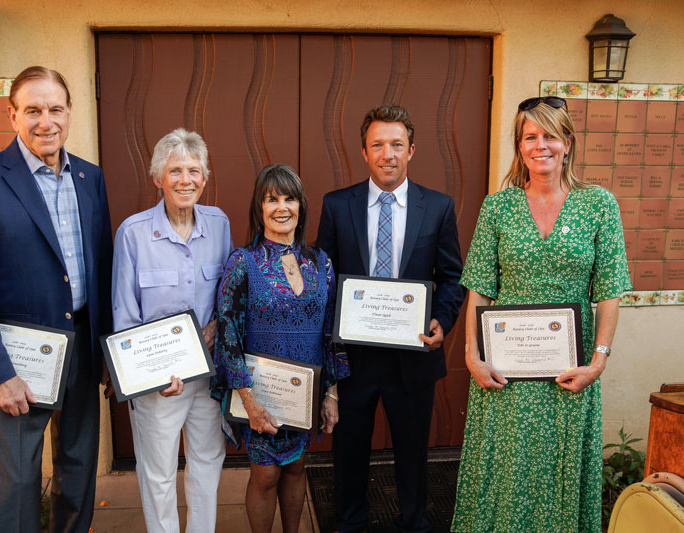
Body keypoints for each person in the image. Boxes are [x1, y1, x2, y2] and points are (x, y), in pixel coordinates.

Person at [450, 96, 632, 532]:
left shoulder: (598, 205)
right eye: (530, 137)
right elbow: (478, 290)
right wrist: (472, 356)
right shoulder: (498, 206)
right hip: (506, 368)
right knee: (507, 469)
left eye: (550, 135)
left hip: (571, 368)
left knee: (559, 466)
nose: (540, 145)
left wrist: (599, 362)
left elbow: (609, 292)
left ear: (567, 143)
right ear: (519, 146)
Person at [0, 66, 113, 532]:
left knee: (78, 469)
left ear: (69, 113)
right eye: (34, 110)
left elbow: (100, 267)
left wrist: (105, 350)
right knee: (19, 481)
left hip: (81, 345)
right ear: (13, 115)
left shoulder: (90, 177)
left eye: (56, 109)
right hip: (18, 360)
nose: (46, 121)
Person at [316, 103, 465, 532]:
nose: (387, 154)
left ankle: (414, 523)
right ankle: (350, 523)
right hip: (353, 358)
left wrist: (442, 319)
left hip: (413, 355)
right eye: (377, 145)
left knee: (413, 454)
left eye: (396, 145)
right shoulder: (336, 205)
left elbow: (451, 276)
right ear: (364, 152)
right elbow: (324, 277)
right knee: (349, 452)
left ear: (411, 150)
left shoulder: (437, 207)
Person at [212, 164, 349, 532]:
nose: (281, 207)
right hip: (259, 394)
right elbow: (228, 333)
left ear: (301, 205)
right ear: (259, 208)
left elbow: (330, 331)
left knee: (297, 467)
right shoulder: (244, 262)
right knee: (266, 474)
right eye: (271, 199)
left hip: (304, 394)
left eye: (289, 198)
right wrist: (249, 403)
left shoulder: (321, 263)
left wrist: (331, 394)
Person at [111, 129, 231, 532]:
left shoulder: (219, 225)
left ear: (205, 178)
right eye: (175, 170)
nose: (185, 179)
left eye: (194, 170)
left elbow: (227, 296)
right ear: (157, 178)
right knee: (158, 473)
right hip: (159, 383)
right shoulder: (133, 233)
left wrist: (216, 326)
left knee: (206, 465)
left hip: (207, 377)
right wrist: (151, 377)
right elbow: (125, 317)